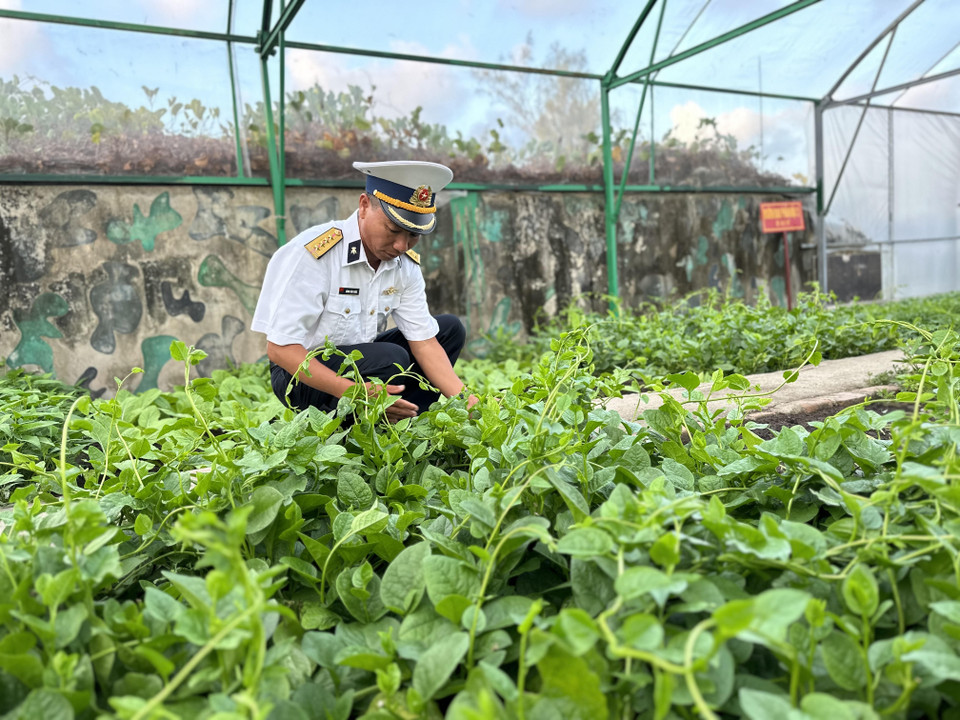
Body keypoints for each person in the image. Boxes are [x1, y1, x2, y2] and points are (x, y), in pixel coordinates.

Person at [251, 160, 477, 422]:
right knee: (391, 358)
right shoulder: (314, 254)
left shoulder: (404, 264)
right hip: (298, 376)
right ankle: (346, 431)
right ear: (364, 206)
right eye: (393, 229)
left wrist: (469, 403)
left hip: (362, 362)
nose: (402, 245)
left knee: (449, 330)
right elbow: (280, 349)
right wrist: (352, 392)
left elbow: (424, 342)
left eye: (414, 235)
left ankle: (404, 424)